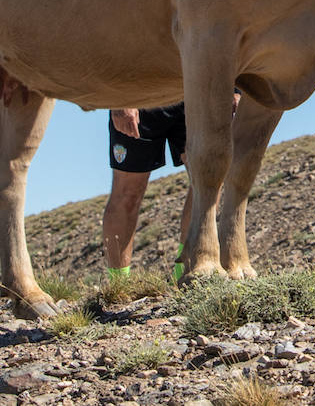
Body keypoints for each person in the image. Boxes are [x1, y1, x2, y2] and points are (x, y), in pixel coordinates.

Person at [101, 91, 241, 282]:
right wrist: (120, 98)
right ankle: (118, 285)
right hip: (141, 93)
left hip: (193, 93)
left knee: (208, 180)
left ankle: (189, 273)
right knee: (128, 193)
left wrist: (234, 88)